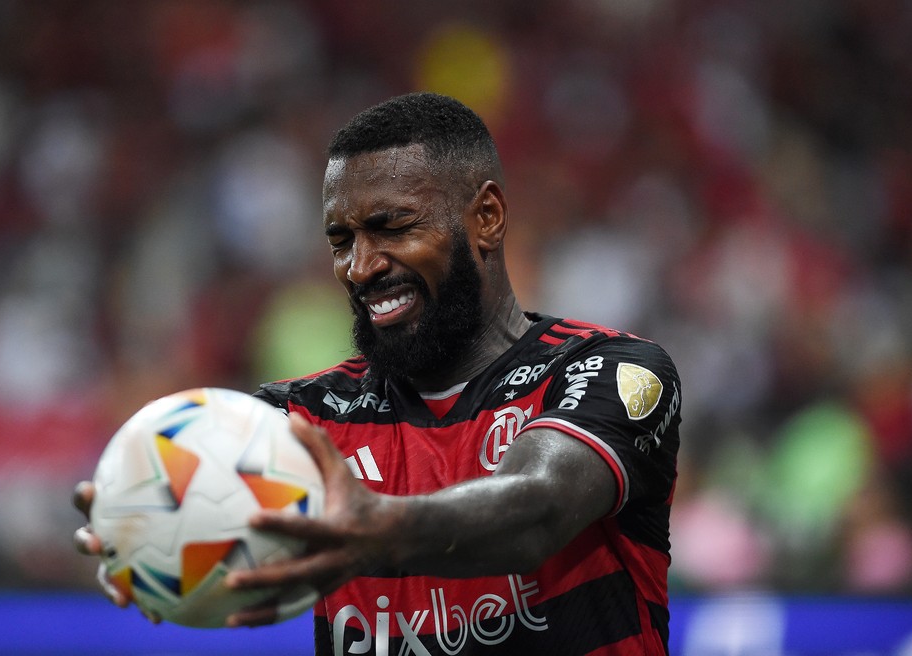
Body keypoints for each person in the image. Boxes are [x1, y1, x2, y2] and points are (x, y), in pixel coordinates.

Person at [74, 92, 682, 655]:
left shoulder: (610, 372)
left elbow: (538, 508)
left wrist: (377, 529)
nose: (360, 267)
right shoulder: (302, 424)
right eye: (342, 239)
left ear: (487, 218)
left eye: (392, 227)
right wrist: (143, 529)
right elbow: (199, 482)